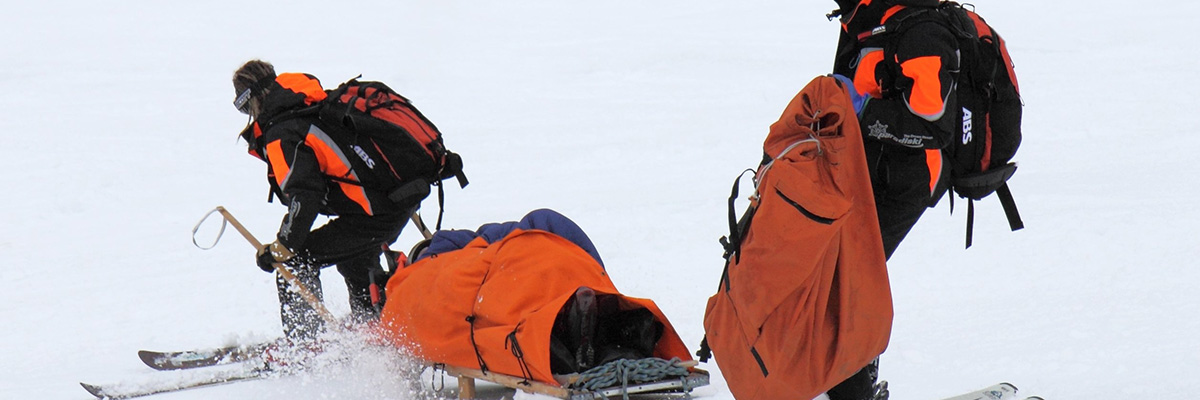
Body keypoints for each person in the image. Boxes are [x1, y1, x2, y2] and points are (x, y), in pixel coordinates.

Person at [826, 1, 961, 399]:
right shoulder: (861, 19)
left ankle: (852, 390)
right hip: (864, 170)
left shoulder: (920, 27)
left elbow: (933, 127)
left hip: (908, 181)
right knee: (830, 275)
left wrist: (863, 109)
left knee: (847, 280)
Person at [231, 60, 420, 341]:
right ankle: (373, 326)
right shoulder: (313, 106)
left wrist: (283, 247)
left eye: (244, 106)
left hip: (375, 213)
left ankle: (306, 348)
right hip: (392, 202)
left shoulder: (282, 131)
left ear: (252, 100)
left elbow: (305, 195)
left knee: (295, 261)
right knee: (354, 256)